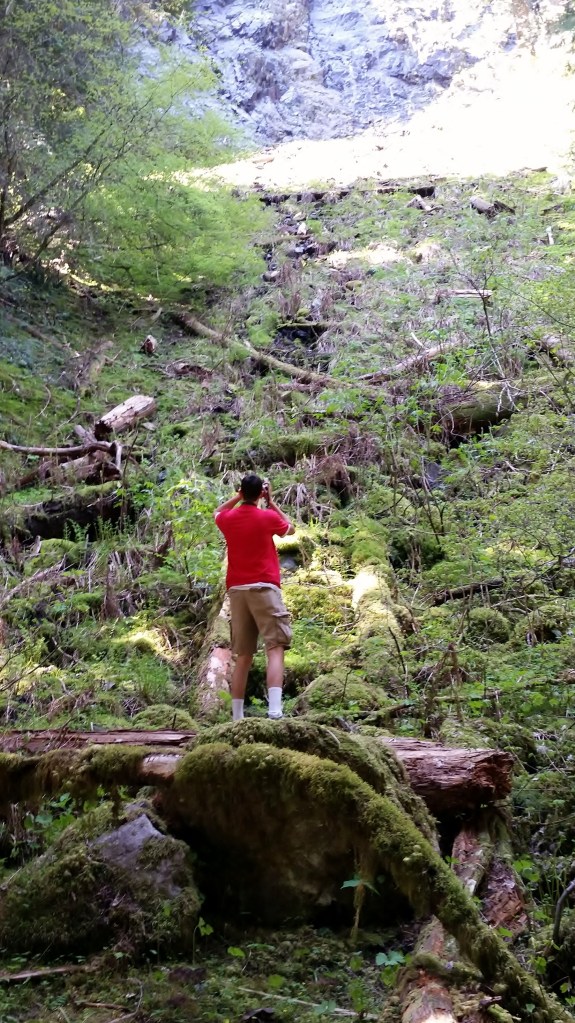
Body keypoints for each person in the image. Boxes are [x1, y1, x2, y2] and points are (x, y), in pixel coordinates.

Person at [214, 474, 295, 721]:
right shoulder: (267, 517)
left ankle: (237, 719)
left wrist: (238, 496)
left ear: (241, 491)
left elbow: (217, 512)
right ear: (261, 492)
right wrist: (271, 502)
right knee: (275, 646)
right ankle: (275, 712)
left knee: (243, 655)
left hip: (237, 591)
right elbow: (290, 528)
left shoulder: (229, 519)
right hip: (264, 588)